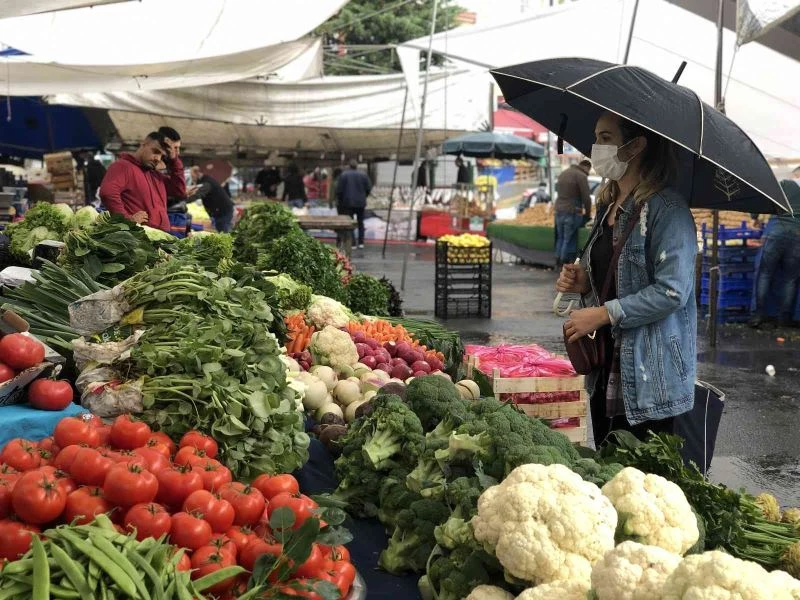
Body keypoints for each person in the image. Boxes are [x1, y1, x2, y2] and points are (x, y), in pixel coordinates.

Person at [556, 111, 697, 447]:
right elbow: (617, 278)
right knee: (608, 467)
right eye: (596, 137)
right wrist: (585, 284)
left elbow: (672, 291)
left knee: (641, 474)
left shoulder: (668, 210)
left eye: (605, 138)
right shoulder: (608, 205)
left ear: (635, 146)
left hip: (649, 376)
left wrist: (604, 313)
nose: (596, 147)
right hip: (606, 367)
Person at [99, 131, 184, 231]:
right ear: (144, 144)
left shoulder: (155, 175)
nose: (158, 158)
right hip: (140, 238)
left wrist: (174, 160)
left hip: (159, 237)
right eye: (155, 151)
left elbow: (179, 191)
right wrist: (126, 221)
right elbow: (108, 193)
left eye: (162, 156)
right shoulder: (123, 166)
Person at [750, 165, 800, 328]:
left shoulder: (784, 184)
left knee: (765, 274)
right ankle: (784, 319)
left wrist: (754, 217)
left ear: (796, 174)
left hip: (776, 232)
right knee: (790, 279)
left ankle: (758, 315)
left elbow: (762, 197)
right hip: (797, 237)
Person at [554, 159, 593, 267]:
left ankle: (557, 260)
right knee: (569, 239)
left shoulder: (563, 173)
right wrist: (588, 214)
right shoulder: (581, 176)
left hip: (558, 211)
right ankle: (564, 262)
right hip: (572, 211)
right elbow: (586, 198)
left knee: (561, 237)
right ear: (587, 167)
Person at [336, 159, 372, 249]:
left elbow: (339, 190)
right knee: (360, 222)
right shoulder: (364, 175)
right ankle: (361, 242)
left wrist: (341, 200)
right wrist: (364, 196)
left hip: (348, 202)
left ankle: (352, 243)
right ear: (357, 166)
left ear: (349, 166)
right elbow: (368, 188)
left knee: (350, 223)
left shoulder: (344, 175)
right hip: (360, 203)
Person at [190, 166, 235, 233]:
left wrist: (184, 200)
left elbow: (197, 195)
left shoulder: (206, 183)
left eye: (192, 176)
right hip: (220, 210)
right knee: (221, 229)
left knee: (223, 230)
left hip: (223, 210)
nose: (192, 178)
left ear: (197, 173)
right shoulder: (203, 181)